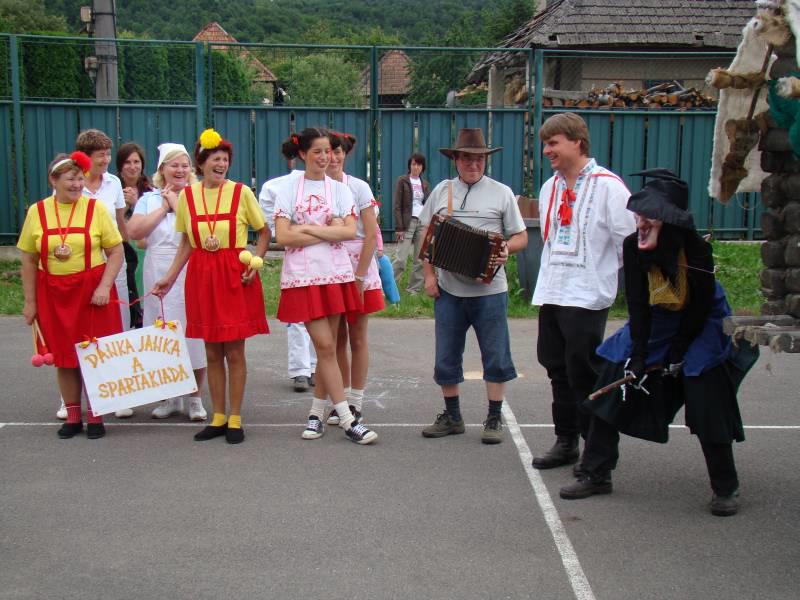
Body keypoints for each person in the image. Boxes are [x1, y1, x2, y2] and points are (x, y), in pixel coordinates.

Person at [558, 169, 757, 517]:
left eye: (649, 216)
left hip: (703, 321)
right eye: (639, 215)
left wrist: (676, 355)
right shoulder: (632, 246)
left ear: (670, 221)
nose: (640, 223)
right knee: (612, 375)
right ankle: (596, 472)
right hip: (656, 318)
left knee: (705, 390)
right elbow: (637, 305)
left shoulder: (696, 250)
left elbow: (697, 309)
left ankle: (725, 486)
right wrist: (638, 356)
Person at [531, 113, 635, 469]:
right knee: (556, 369)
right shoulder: (550, 188)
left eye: (553, 143)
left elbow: (628, 244)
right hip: (553, 292)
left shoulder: (609, 187)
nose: (547, 150)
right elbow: (549, 240)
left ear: (577, 141)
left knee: (585, 374)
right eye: (545, 144)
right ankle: (566, 440)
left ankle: (596, 452)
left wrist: (600, 276)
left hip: (587, 296)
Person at [151, 129, 269, 444]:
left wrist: (256, 262)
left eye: (225, 160)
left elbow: (264, 232)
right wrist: (169, 278)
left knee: (234, 350)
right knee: (212, 351)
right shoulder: (188, 197)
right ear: (201, 164)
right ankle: (218, 417)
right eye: (215, 159)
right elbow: (187, 243)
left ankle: (235, 418)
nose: (221, 165)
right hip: (202, 273)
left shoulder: (241, 192)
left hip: (234, 273)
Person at [419, 128, 527, 444]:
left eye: (479, 159)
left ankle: (494, 417)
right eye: (467, 158)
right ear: (456, 159)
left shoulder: (502, 192)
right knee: (446, 356)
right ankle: (453, 416)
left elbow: (521, 236)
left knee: (495, 355)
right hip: (449, 290)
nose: (473, 164)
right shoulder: (442, 191)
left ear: (485, 160)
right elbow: (427, 237)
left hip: (490, 291)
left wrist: (507, 248)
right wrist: (429, 277)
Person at [272, 127, 378, 445]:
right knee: (325, 345)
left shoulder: (341, 190)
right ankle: (348, 420)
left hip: (336, 275)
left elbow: (349, 232)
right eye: (316, 151)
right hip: (302, 277)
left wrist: (304, 228)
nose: (324, 157)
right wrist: (324, 229)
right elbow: (283, 236)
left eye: (327, 151)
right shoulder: (287, 190)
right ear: (302, 154)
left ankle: (317, 415)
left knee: (326, 349)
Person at [18, 151, 124, 439]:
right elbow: (28, 259)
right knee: (64, 355)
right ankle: (74, 417)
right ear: (53, 180)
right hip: (53, 292)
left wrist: (104, 286)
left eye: (80, 179)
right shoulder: (37, 212)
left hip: (91, 292)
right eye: (71, 179)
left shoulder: (96, 209)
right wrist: (30, 302)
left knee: (93, 355)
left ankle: (97, 415)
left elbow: (116, 251)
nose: (78, 185)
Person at [127, 143, 208, 421]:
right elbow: (135, 232)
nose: (180, 170)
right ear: (162, 169)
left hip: (189, 268)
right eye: (174, 165)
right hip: (156, 268)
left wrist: (176, 204)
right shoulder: (149, 199)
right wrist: (163, 207)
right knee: (161, 331)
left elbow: (198, 231)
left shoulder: (197, 195)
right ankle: (170, 396)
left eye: (185, 165)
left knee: (192, 333)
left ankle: (195, 398)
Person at [326, 131, 384, 425]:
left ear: (345, 154)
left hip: (358, 265)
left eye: (338, 152)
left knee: (358, 337)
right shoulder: (315, 188)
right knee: (335, 339)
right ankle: (341, 402)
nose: (333, 158)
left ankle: (356, 402)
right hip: (329, 267)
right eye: (328, 152)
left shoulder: (358, 187)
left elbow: (371, 234)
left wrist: (360, 276)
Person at [258, 168, 318, 393]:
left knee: (322, 314)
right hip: (297, 258)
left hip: (326, 259)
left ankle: (315, 366)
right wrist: (291, 232)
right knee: (298, 315)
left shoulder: (332, 186)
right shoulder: (279, 186)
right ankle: (301, 369)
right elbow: (274, 225)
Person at [116, 142, 152, 329]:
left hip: (144, 251)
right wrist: (124, 206)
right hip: (121, 249)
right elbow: (110, 224)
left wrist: (137, 203)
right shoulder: (113, 189)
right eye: (127, 162)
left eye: (136, 162)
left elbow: (152, 222)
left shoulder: (151, 191)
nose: (132, 166)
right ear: (120, 166)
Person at [392, 153, 430, 295]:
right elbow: (397, 205)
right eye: (413, 164)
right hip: (407, 223)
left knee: (419, 260)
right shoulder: (402, 181)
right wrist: (399, 227)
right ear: (409, 166)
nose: (416, 167)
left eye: (419, 164)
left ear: (422, 167)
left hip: (422, 223)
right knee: (400, 258)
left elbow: (427, 204)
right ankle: (389, 288)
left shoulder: (424, 184)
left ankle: (413, 290)